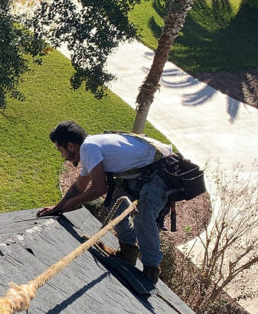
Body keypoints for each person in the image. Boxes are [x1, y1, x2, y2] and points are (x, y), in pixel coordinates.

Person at [37, 120, 174, 284]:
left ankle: (151, 271)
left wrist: (72, 203)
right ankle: (128, 251)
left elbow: (99, 188)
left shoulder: (89, 147)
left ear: (71, 146)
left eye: (61, 150)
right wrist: (59, 207)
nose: (62, 156)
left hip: (163, 170)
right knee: (115, 199)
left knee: (144, 218)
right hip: (148, 168)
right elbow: (80, 186)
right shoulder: (91, 145)